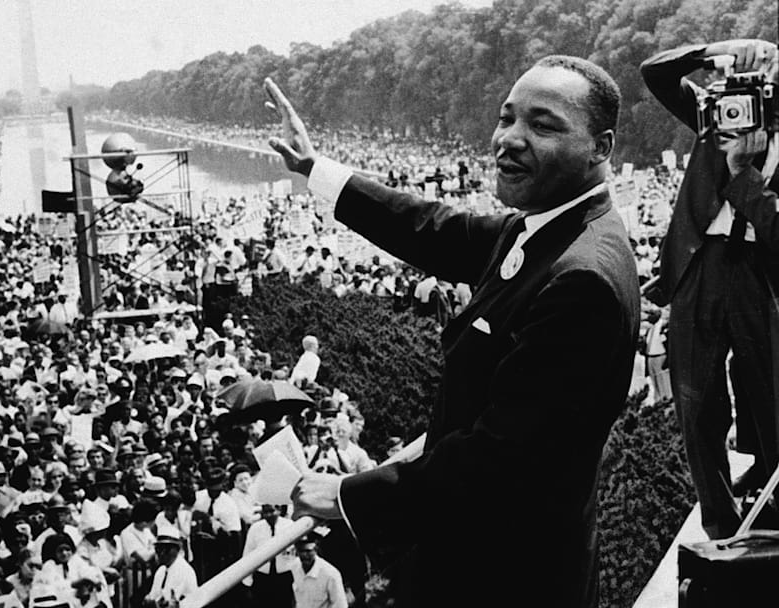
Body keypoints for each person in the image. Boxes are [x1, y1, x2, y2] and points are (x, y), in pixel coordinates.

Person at [267, 53, 640, 607]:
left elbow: (499, 458)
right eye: (506, 117)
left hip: (507, 577)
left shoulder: (581, 278)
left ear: (600, 148)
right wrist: (315, 168)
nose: (510, 138)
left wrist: (349, 495)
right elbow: (429, 228)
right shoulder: (545, 228)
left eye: (542, 125)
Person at [640, 38, 779, 539]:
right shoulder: (714, 111)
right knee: (697, 401)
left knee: (769, 392)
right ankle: (720, 519)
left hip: (759, 271)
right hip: (698, 265)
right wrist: (716, 51)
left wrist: (742, 173)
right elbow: (655, 72)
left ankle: (770, 495)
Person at [240, 505, 295, 608]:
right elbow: (247, 556)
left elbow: (296, 555)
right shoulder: (255, 528)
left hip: (284, 578)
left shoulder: (290, 526)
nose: (268, 515)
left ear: (279, 510)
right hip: (262, 578)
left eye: (271, 511)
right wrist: (247, 582)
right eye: (265, 512)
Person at [288, 535, 345, 608]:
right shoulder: (294, 567)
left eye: (308, 551)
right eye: (301, 551)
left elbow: (340, 605)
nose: (304, 555)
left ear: (316, 549)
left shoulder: (330, 574)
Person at [144, 530, 196, 608]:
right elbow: (153, 597)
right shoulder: (161, 571)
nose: (161, 553)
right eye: (158, 549)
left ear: (177, 549)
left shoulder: (183, 570)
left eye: (166, 549)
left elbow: (169, 603)